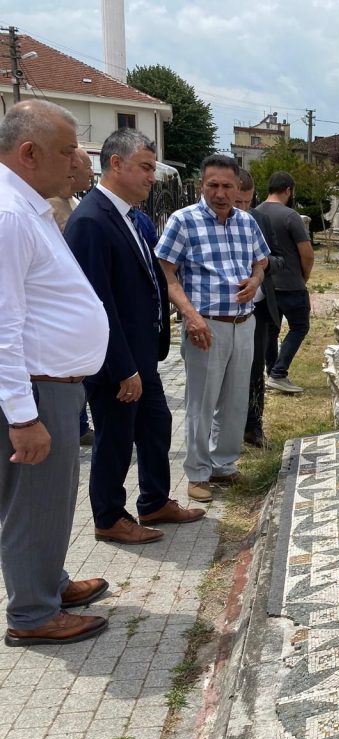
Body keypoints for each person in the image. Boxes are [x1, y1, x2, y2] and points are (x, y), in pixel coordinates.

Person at [0, 100, 110, 646]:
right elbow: (3, 324)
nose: (75, 163)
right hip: (38, 389)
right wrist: (23, 417)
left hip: (53, 385)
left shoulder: (28, 208)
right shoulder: (10, 216)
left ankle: (49, 582)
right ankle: (33, 614)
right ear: (29, 152)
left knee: (50, 500)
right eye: (67, 151)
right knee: (33, 503)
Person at [65, 128, 206, 545]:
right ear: (116, 164)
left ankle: (155, 501)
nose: (151, 177)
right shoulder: (91, 220)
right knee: (115, 438)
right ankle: (109, 517)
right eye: (144, 167)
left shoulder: (130, 217)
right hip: (117, 361)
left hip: (142, 355)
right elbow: (97, 302)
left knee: (156, 424)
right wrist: (122, 366)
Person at [156, 155, 270, 503]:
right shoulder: (183, 221)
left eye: (227, 186)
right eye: (213, 185)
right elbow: (166, 273)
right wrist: (190, 316)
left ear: (238, 187)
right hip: (205, 326)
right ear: (200, 186)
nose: (220, 193)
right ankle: (198, 472)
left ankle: (223, 464)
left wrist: (255, 280)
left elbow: (261, 261)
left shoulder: (246, 222)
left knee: (235, 400)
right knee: (202, 403)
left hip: (244, 323)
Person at [46, 147, 98, 444]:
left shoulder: (74, 202)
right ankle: (74, 426)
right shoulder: (48, 206)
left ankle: (78, 424)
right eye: (86, 166)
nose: (91, 172)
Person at [234, 169, 285, 450]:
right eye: (237, 202)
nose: (242, 208)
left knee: (255, 370)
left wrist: (265, 264)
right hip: (226, 311)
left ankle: (253, 427)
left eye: (247, 202)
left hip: (259, 309)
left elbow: (279, 258)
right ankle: (226, 430)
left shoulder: (259, 219)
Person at [256, 171, 314, 395]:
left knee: (271, 330)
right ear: (288, 190)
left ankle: (271, 370)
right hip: (290, 283)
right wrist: (303, 276)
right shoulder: (290, 216)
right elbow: (307, 253)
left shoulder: (255, 213)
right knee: (300, 326)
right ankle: (279, 373)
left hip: (266, 283)